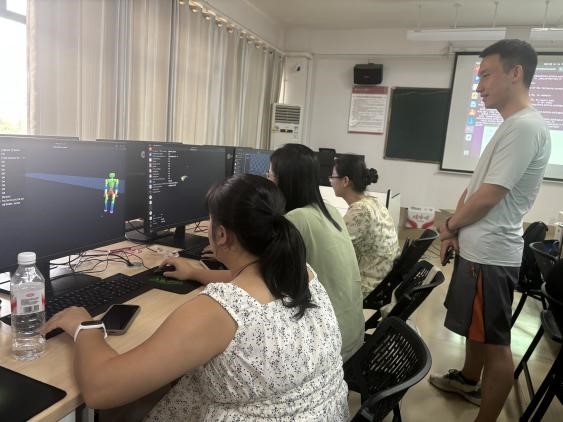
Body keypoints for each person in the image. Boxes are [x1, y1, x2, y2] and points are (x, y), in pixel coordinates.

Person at [43, 174, 349, 420]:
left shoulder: (219, 311)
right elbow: (250, 285)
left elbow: (100, 390)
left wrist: (84, 326)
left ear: (221, 234)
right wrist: (197, 273)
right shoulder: (299, 271)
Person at [429, 39, 551, 421]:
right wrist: (454, 232)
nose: (479, 86)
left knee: (496, 346)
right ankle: (468, 380)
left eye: (485, 76)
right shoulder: (511, 125)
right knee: (475, 330)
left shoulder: (525, 127)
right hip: (478, 249)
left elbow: (489, 197)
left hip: (491, 255)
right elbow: (475, 189)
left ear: (516, 73)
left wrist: (448, 226)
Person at [268, 143, 364, 362]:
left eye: (270, 175)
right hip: (353, 334)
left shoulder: (295, 220)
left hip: (331, 346)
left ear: (286, 180)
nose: (267, 181)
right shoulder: (329, 209)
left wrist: (196, 272)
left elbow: (260, 280)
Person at [330, 155, 400, 298]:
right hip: (384, 279)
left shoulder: (360, 210)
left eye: (332, 177)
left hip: (368, 285)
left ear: (345, 181)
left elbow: (332, 247)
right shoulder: (373, 202)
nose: (330, 181)